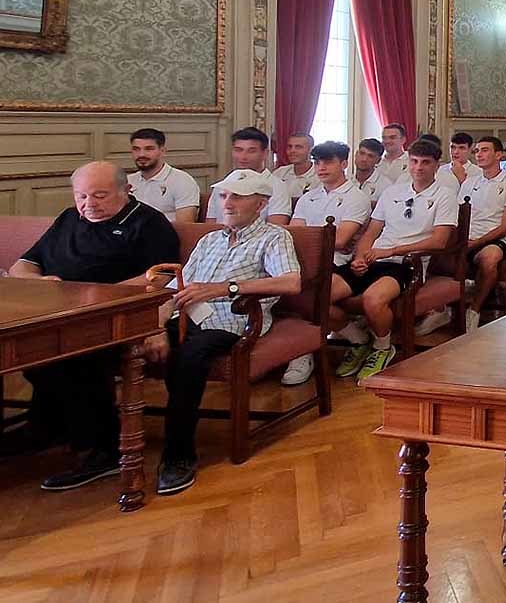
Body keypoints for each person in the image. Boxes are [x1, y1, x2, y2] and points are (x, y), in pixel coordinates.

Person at [10, 161, 179, 485]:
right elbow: (23, 265)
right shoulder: (68, 219)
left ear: (126, 190)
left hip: (114, 317)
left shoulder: (148, 223)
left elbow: (160, 277)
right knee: (31, 353)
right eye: (82, 196)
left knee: (72, 358)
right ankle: (47, 427)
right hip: (56, 313)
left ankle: (105, 448)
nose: (89, 204)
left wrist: (95, 295)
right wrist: (41, 283)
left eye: (100, 196)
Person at [143, 169, 302, 494]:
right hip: (186, 317)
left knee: (189, 358)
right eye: (224, 196)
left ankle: (178, 455)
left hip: (233, 321)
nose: (227, 203)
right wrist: (156, 326)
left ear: (260, 204)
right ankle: (106, 446)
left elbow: (291, 283)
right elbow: (175, 290)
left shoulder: (273, 237)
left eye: (237, 197)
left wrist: (224, 288)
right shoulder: (209, 240)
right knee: (129, 345)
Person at [332, 138, 457, 381]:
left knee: (372, 299)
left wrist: (392, 251)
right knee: (319, 296)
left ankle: (382, 347)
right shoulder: (392, 192)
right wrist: (360, 258)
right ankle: (358, 340)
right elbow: (371, 232)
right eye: (414, 161)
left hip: (407, 264)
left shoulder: (445, 195)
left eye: (425, 162)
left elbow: (439, 241)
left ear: (436, 165)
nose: (418, 167)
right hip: (373, 259)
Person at [283, 141, 371, 386]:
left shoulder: (356, 198)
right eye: (317, 162)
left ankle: (303, 352)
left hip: (343, 265)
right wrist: (318, 240)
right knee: (286, 293)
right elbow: (291, 235)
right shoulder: (308, 197)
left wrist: (312, 240)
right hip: (303, 262)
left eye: (328, 162)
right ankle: (357, 337)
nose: (321, 167)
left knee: (308, 297)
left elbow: (340, 240)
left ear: (343, 164)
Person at [458, 136, 506, 332]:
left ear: (498, 155)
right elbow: (459, 215)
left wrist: (478, 241)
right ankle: (441, 309)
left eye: (485, 150)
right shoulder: (469, 183)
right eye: (477, 151)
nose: (479, 154)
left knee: (489, 259)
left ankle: (474, 310)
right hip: (466, 236)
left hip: (494, 238)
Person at [205, 127, 291, 225]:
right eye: (238, 150)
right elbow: (210, 225)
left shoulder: (277, 186)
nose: (243, 157)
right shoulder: (223, 185)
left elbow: (276, 227)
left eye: (251, 151)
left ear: (265, 154)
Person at [126, 128, 201, 222]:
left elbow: (185, 225)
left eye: (149, 149)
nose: (141, 154)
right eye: (136, 149)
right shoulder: (127, 181)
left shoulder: (182, 181)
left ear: (162, 151)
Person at [273, 133, 318, 198]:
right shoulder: (279, 173)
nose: (292, 151)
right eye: (289, 147)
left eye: (298, 147)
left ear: (311, 150)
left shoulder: (320, 176)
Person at [352, 137, 392, 203]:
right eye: (362, 153)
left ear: (378, 161)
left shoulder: (386, 186)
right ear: (356, 154)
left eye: (370, 156)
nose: (364, 159)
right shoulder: (347, 180)